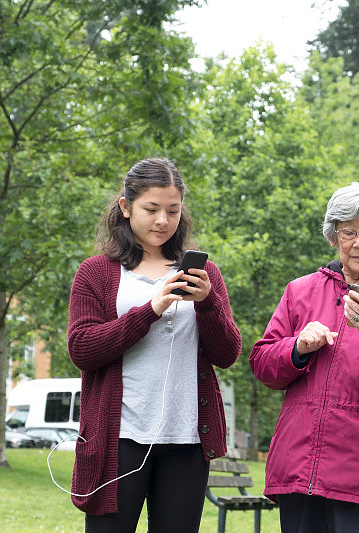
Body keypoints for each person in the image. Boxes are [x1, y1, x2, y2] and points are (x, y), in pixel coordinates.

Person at [67, 158, 242, 532]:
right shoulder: (96, 272)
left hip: (187, 439)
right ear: (126, 206)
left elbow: (227, 354)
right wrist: (151, 309)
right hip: (118, 438)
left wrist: (208, 302)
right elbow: (81, 349)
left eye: (173, 210)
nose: (163, 220)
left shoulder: (204, 274)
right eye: (151, 209)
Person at [249, 182, 359, 533]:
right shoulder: (300, 290)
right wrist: (297, 348)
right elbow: (263, 365)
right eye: (348, 232)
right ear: (334, 237)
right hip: (298, 470)